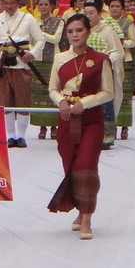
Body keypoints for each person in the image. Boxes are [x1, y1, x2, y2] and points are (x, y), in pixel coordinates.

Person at [47, 13, 114, 240]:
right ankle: (78, 209)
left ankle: (87, 218)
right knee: (71, 164)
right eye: (70, 31)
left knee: (86, 165)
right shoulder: (60, 58)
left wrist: (84, 103)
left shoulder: (100, 59)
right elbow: (53, 89)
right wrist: (62, 101)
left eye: (79, 30)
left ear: (88, 31)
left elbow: (108, 92)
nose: (75, 35)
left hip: (91, 119)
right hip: (66, 120)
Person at [0, 0, 45, 147]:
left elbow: (40, 40)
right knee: (4, 101)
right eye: (6, 3)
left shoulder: (28, 19)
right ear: (2, 4)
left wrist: (32, 54)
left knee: (23, 101)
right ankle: (10, 136)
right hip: (1, 64)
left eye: (12, 3)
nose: (9, 6)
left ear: (19, 3)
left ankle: (21, 135)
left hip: (21, 64)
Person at [82, 0, 125, 150]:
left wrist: (102, 61)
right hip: (86, 74)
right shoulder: (81, 31)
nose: (88, 16)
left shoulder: (107, 31)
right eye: (85, 13)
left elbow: (117, 52)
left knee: (104, 105)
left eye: (91, 13)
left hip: (103, 73)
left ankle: (106, 136)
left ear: (99, 14)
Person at [32, 0, 66, 140]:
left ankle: (54, 126)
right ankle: (42, 126)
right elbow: (30, 40)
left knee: (53, 91)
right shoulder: (33, 21)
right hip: (37, 60)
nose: (43, 7)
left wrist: (39, 33)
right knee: (39, 94)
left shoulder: (59, 21)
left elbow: (55, 39)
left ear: (52, 6)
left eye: (46, 4)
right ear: (37, 6)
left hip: (53, 59)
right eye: (41, 4)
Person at [107, 0, 135, 140]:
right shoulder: (105, 23)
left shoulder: (128, 23)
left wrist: (120, 42)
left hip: (125, 60)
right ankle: (110, 124)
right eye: (112, 6)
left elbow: (133, 42)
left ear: (122, 8)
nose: (115, 9)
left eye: (118, 6)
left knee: (124, 94)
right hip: (109, 61)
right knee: (109, 93)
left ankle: (124, 126)